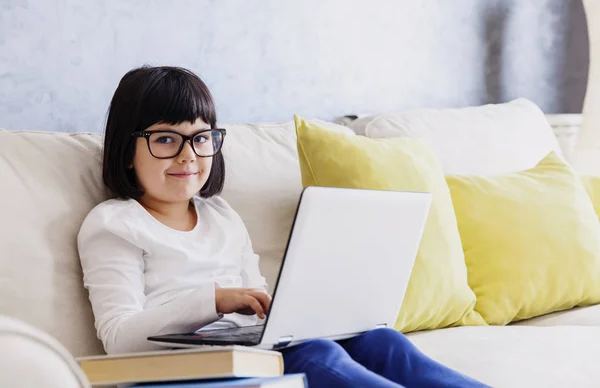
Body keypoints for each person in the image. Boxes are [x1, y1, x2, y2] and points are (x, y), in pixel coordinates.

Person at [77, 65, 489, 388]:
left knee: (381, 342)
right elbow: (118, 339)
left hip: (250, 351)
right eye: (166, 140)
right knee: (318, 359)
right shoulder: (114, 224)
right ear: (127, 151)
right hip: (181, 370)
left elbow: (259, 303)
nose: (189, 156)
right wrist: (215, 300)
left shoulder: (221, 215)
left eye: (201, 139)